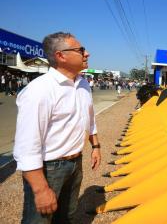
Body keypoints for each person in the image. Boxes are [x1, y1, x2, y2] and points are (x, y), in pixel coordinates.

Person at [13, 32, 101, 224]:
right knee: (38, 220)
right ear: (61, 56)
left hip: (75, 164)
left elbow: (89, 119)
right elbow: (27, 147)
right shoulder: (39, 91)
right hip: (49, 168)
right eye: (81, 50)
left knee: (66, 217)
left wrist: (96, 146)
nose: (87, 54)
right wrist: (41, 189)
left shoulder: (83, 84)